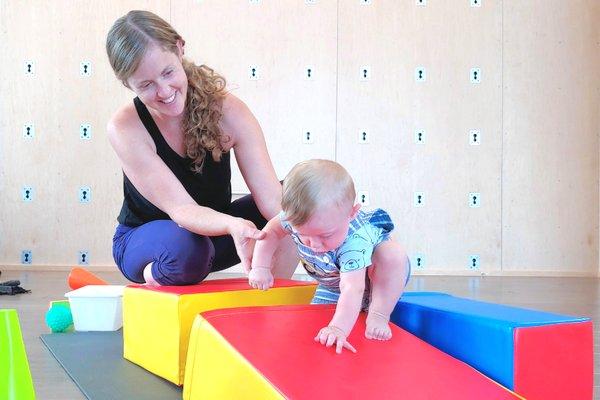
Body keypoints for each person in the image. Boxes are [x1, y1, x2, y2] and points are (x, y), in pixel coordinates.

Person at [105, 10, 297, 286]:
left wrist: (329, 236)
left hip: (211, 239)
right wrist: (233, 225)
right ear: (127, 84)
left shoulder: (229, 112)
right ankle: (152, 281)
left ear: (180, 48)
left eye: (168, 72)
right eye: (146, 85)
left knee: (298, 202)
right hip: (151, 245)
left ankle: (270, 301)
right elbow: (182, 211)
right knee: (186, 248)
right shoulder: (125, 128)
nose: (164, 91)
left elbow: (272, 201)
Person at [249, 159, 411, 354]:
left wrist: (338, 328)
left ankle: (378, 313)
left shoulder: (354, 242)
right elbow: (271, 233)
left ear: (351, 214)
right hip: (333, 283)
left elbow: (353, 288)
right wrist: (260, 267)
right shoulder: (293, 218)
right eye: (303, 235)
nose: (315, 245)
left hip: (377, 278)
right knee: (316, 323)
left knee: (391, 255)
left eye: (325, 235)